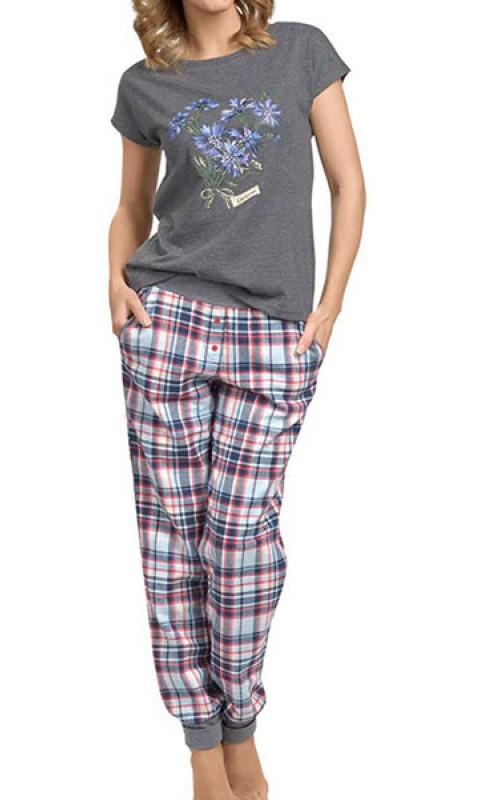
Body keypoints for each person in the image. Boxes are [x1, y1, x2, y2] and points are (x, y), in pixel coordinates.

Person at [109, 1, 365, 798]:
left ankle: (240, 717)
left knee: (239, 537)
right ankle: (201, 740)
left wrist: (330, 305)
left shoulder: (302, 51)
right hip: (169, 322)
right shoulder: (145, 83)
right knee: (171, 537)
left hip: (274, 331)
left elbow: (349, 183)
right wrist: (114, 283)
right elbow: (132, 207)